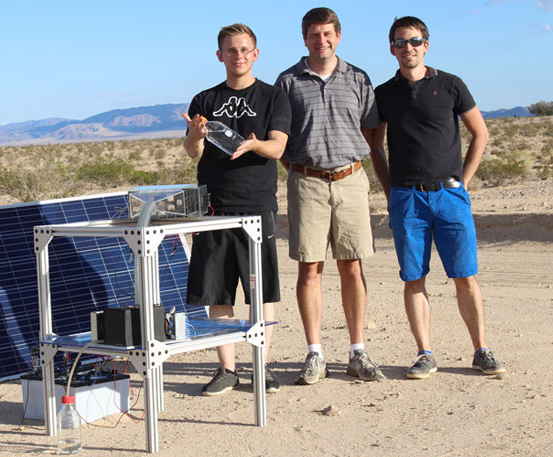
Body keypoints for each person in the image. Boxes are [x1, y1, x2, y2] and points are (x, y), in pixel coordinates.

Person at [371, 16, 506, 379]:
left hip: (449, 196)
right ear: (391, 49)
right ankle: (425, 353)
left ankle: (481, 349)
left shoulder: (450, 85)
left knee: (465, 276)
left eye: (414, 41)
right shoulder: (384, 93)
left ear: (426, 45)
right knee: (413, 277)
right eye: (400, 43)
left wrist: (462, 182)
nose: (407, 48)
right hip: (407, 199)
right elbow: (375, 147)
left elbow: (480, 133)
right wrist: (390, 191)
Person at [275, 7, 384, 385]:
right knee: (310, 267)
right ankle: (315, 353)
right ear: (304, 38)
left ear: (338, 35)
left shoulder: (358, 77)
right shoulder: (288, 81)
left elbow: (372, 130)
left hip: (351, 179)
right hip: (306, 182)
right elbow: (281, 137)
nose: (322, 41)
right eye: (314, 34)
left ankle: (358, 351)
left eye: (328, 34)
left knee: (352, 265)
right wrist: (302, 170)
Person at [181, 23, 291, 396]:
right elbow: (193, 152)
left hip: (257, 206)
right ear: (220, 56)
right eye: (231, 50)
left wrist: (256, 145)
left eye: (245, 50)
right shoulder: (205, 100)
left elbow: (278, 148)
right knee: (218, 291)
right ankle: (227, 368)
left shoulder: (273, 97)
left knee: (262, 292)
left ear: (255, 54)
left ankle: (261, 366)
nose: (238, 56)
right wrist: (194, 138)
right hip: (214, 207)